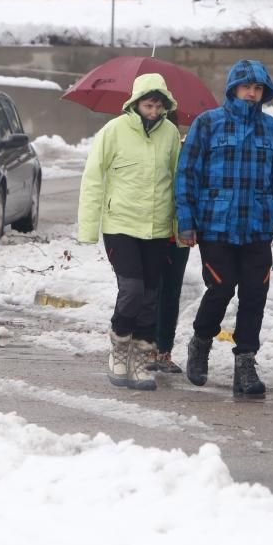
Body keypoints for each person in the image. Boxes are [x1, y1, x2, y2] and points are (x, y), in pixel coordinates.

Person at [174, 59, 273, 398]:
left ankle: (245, 361)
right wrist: (186, 220)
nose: (252, 93)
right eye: (246, 87)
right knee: (222, 287)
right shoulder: (207, 124)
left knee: (255, 294)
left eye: (258, 89)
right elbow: (187, 175)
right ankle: (200, 342)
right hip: (216, 225)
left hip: (257, 225)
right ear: (232, 89)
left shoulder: (271, 130)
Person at [78, 73, 182, 391]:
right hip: (120, 225)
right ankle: (119, 347)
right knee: (133, 290)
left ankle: (140, 359)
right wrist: (88, 227)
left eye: (158, 106)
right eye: (148, 105)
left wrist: (179, 228)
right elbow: (93, 177)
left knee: (151, 297)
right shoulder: (114, 132)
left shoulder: (170, 134)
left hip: (157, 227)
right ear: (135, 103)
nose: (153, 112)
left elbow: (178, 182)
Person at [148, 110, 190, 374]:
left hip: (177, 234)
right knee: (148, 291)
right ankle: (144, 347)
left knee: (171, 293)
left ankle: (164, 350)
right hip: (150, 230)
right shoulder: (146, 151)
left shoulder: (186, 151)